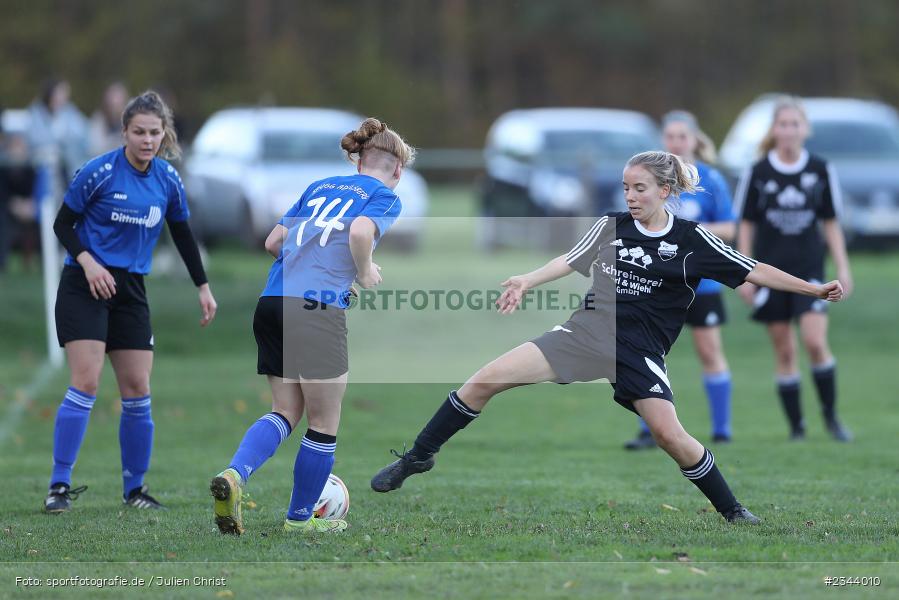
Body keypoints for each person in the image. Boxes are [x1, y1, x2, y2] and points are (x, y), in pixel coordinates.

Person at [371, 150, 844, 524]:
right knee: (484, 380)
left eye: (640, 188)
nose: (631, 196)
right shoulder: (610, 226)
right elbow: (567, 260)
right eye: (626, 187)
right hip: (582, 335)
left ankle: (733, 511)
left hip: (638, 352)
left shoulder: (692, 241)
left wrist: (812, 287)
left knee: (669, 435)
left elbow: (752, 268)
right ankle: (416, 457)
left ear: (665, 190)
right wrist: (525, 281)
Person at [209, 118, 413, 535]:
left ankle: (234, 475)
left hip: (272, 302)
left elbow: (273, 243)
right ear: (397, 170)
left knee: (284, 411)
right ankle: (300, 521)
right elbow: (358, 232)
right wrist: (364, 271)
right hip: (315, 310)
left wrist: (323, 273)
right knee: (323, 422)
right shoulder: (384, 197)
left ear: (359, 163)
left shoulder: (318, 187)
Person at [44, 90, 217, 513]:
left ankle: (134, 490)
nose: (146, 139)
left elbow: (182, 234)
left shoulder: (167, 179)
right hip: (85, 284)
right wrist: (88, 263)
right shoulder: (98, 172)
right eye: (138, 131)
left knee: (138, 389)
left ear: (163, 135)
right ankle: (59, 486)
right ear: (123, 132)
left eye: (154, 132)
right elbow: (62, 224)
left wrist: (203, 286)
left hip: (131, 291)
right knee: (86, 380)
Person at [734, 96, 853, 442]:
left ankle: (831, 419)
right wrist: (745, 272)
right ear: (774, 129)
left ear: (805, 129)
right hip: (770, 275)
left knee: (815, 342)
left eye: (794, 124)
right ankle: (797, 428)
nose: (788, 130)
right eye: (782, 124)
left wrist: (843, 268)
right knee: (785, 350)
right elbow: (745, 224)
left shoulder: (819, 169)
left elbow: (831, 223)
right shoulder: (757, 171)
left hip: (812, 273)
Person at [624, 111, 737, 450]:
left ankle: (722, 429)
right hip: (657, 283)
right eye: (670, 137)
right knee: (648, 354)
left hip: (701, 285)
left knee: (709, 351)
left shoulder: (711, 180)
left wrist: (688, 235)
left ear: (693, 139)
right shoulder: (649, 182)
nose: (676, 143)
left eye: (681, 137)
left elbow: (730, 229)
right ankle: (649, 430)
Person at [88, 81, 130, 156]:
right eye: (111, 98)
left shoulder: (133, 120)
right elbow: (94, 149)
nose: (114, 102)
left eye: (118, 99)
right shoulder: (98, 121)